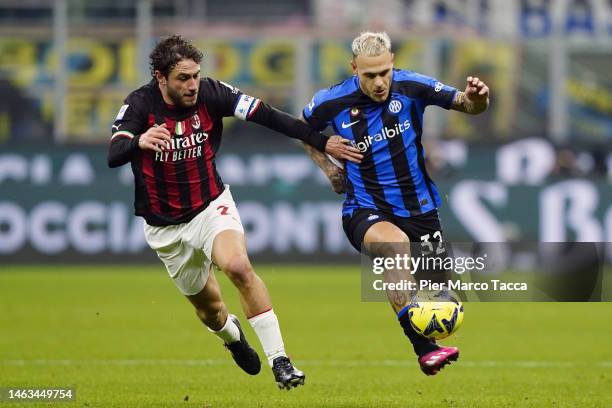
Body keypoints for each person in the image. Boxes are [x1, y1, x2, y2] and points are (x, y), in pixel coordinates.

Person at [107, 35, 362, 389]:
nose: (192, 84)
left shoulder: (213, 93)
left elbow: (268, 117)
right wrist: (139, 141)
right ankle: (232, 337)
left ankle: (281, 362)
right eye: (183, 78)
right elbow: (114, 153)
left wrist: (321, 141)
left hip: (211, 205)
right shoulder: (140, 104)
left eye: (195, 75)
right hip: (165, 228)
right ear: (160, 77)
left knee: (238, 267)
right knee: (210, 311)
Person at [301, 31, 489, 376]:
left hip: (421, 209)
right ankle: (423, 350)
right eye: (369, 75)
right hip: (365, 208)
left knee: (438, 298)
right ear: (354, 68)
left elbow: (467, 104)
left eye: (384, 72)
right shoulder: (331, 101)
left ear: (393, 65)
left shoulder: (412, 86)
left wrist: (479, 99)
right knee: (395, 247)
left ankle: (428, 345)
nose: (378, 82)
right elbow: (305, 130)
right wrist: (329, 169)